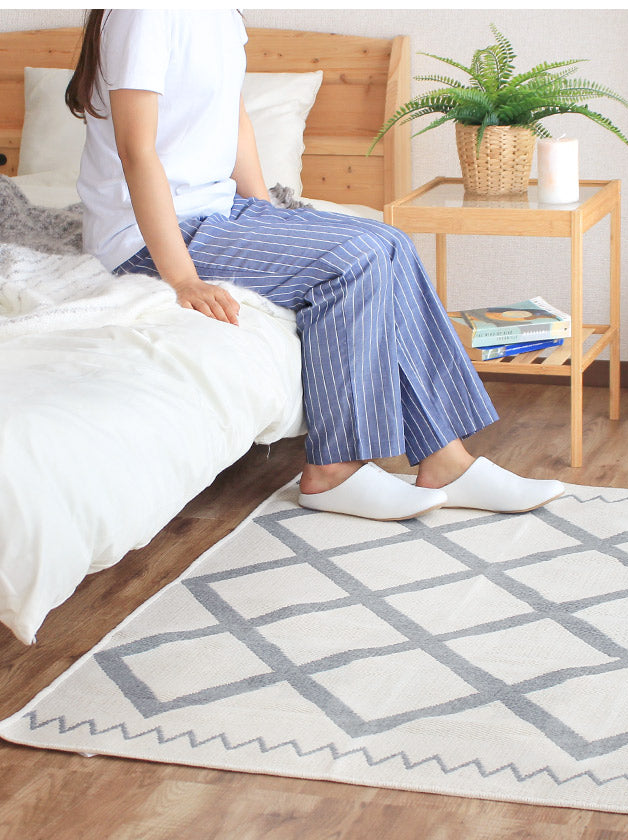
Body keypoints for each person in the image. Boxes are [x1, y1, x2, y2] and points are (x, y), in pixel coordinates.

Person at [66, 9, 565, 522]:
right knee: (355, 260)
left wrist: (269, 216)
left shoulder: (221, 13)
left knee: (390, 243)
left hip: (219, 212)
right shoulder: (145, 13)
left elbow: (233, 119)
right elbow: (136, 150)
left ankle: (447, 462)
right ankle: (333, 472)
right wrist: (183, 278)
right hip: (145, 236)